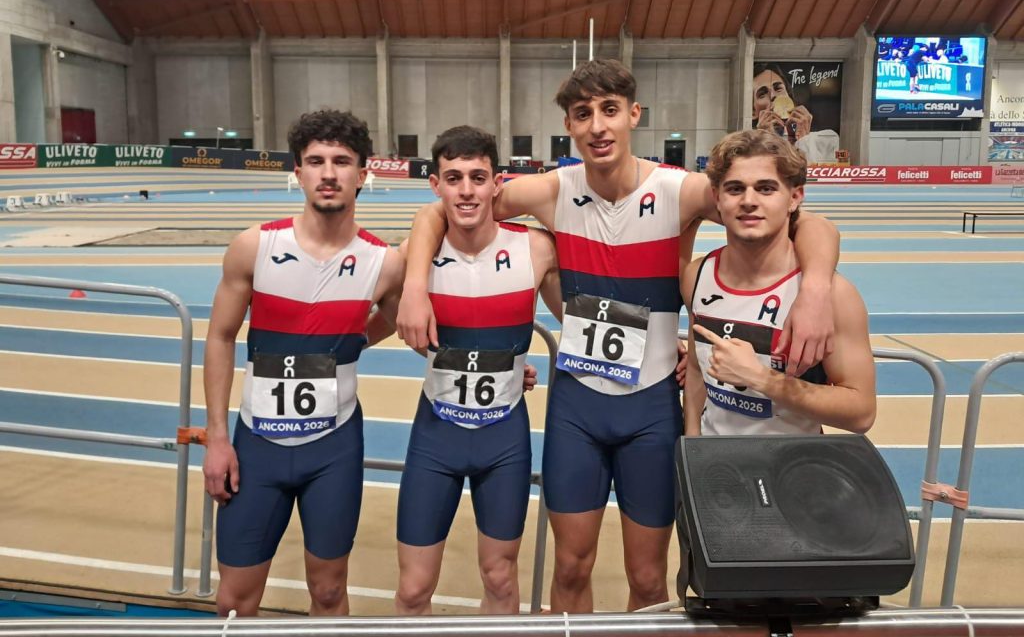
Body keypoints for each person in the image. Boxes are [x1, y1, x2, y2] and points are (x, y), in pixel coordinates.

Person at [398, 59, 840, 612]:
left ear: (634, 114)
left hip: (651, 408)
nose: (598, 126)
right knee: (569, 568)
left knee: (649, 579)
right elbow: (441, 211)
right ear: (569, 125)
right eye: (583, 114)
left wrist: (815, 289)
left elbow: (808, 221)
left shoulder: (682, 190)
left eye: (610, 110)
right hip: (577, 409)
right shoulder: (550, 190)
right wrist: (414, 285)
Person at [202, 109, 404, 617]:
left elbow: (408, 322)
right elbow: (220, 337)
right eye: (316, 161)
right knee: (234, 600)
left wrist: (353, 340)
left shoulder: (384, 262)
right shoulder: (255, 247)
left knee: (330, 592)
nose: (328, 173)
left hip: (334, 447)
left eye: (341, 161)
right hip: (256, 445)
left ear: (363, 174)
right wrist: (217, 439)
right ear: (298, 172)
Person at [678, 129, 876, 591]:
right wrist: (692, 448)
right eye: (735, 188)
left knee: (790, 607)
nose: (749, 201)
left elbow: (861, 411)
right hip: (717, 481)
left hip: (796, 485)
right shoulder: (698, 276)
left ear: (794, 198)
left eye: (766, 188)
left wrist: (765, 381)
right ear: (717, 199)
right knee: (710, 602)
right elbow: (698, 372)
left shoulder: (832, 296)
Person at [394, 126, 562, 615]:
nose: (466, 190)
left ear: (496, 183)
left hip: (503, 438)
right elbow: (375, 329)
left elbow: (577, 321)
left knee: (501, 579)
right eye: (453, 178)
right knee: (413, 588)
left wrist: (667, 344)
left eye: (477, 177)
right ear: (436, 185)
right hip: (436, 436)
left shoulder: (537, 249)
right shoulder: (414, 258)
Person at [752, 63, 839, 164]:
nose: (773, 96)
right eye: (762, 94)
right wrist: (764, 142)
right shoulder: (749, 149)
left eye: (778, 88)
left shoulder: (827, 140)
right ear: (753, 112)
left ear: (789, 97)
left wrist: (804, 139)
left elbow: (812, 174)